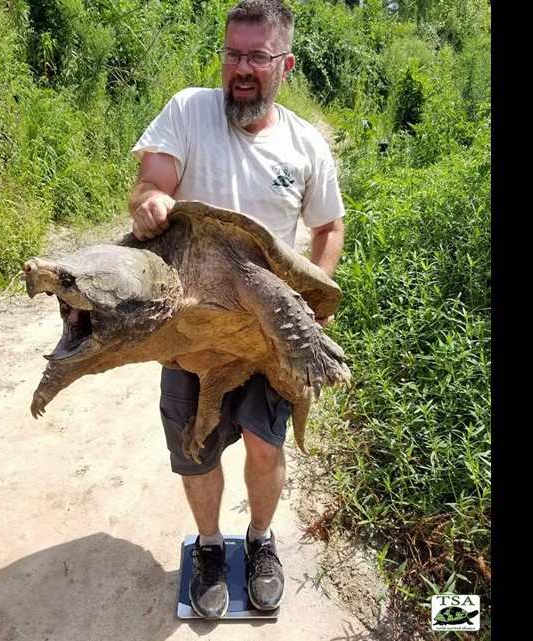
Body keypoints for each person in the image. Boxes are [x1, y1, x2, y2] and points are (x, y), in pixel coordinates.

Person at [128, 0, 345, 619]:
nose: (241, 68)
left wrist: (314, 295)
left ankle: (260, 541)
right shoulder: (189, 111)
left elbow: (328, 228)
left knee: (264, 445)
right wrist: (149, 201)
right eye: (232, 54)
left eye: (256, 56)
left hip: (263, 328)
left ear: (286, 65)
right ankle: (209, 545)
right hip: (188, 325)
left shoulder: (305, 145)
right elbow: (152, 183)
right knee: (194, 447)